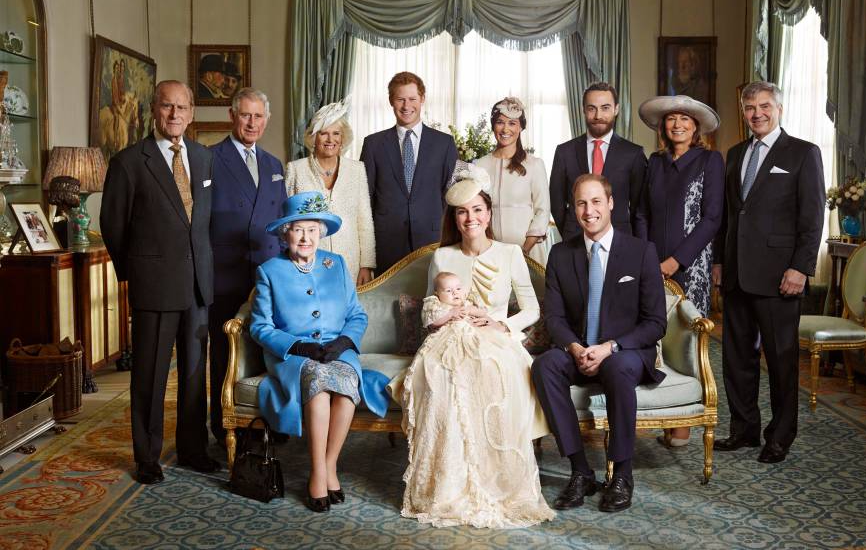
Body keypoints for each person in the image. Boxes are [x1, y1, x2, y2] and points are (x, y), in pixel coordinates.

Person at [388, 165, 554, 529]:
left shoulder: (510, 254)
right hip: (450, 338)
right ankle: (448, 486)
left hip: (496, 338)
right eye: (462, 212)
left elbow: (531, 309)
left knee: (492, 376)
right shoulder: (443, 257)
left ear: (489, 213)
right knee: (444, 380)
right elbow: (429, 309)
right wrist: (445, 316)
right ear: (454, 217)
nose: (470, 218)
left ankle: (497, 486)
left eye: (477, 209)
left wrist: (501, 323)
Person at [100, 80, 219, 484]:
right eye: (167, 107)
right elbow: (113, 226)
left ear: (191, 113)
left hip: (198, 284)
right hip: (155, 284)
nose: (174, 115)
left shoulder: (203, 159)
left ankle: (192, 449)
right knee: (150, 376)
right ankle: (147, 457)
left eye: (182, 108)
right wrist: (137, 273)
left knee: (193, 373)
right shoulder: (130, 161)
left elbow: (205, 223)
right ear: (153, 110)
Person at [532, 174, 666, 513]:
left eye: (595, 201)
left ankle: (622, 474)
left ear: (610, 203)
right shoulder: (561, 255)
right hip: (579, 350)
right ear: (573, 209)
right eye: (580, 203)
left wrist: (610, 347)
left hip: (624, 352)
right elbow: (555, 319)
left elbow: (656, 323)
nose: (588, 210)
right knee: (545, 365)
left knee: (619, 368)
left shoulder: (640, 252)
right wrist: (575, 349)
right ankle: (580, 471)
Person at [250, 192, 390, 513]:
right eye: (298, 229)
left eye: (312, 230)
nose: (305, 237)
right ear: (285, 234)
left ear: (321, 233)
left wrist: (342, 344)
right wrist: (298, 346)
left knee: (344, 388)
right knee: (319, 384)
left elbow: (357, 315)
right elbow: (259, 327)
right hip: (294, 355)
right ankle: (317, 472)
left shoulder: (336, 265)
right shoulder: (270, 271)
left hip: (338, 349)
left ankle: (328, 466)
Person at [712, 81, 825, 464]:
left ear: (778, 108)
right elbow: (730, 214)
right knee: (736, 358)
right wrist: (719, 261)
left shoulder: (803, 153)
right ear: (742, 111)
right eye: (749, 107)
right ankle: (743, 429)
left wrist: (800, 268)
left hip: (780, 276)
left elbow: (812, 218)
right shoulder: (735, 153)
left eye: (763, 106)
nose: (756, 113)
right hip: (737, 273)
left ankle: (780, 436)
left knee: (780, 359)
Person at [634, 95, 724, 447]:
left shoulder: (709, 161)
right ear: (663, 126)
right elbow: (641, 213)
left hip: (692, 266)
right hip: (652, 265)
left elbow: (712, 218)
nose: (678, 125)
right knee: (656, 335)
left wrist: (676, 261)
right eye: (672, 119)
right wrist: (648, 258)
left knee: (688, 338)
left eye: (685, 119)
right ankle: (664, 408)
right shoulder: (654, 163)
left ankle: (683, 422)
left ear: (695, 126)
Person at [208, 87, 287, 444]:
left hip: (267, 273)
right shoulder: (210, 158)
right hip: (225, 273)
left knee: (266, 350)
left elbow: (283, 221)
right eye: (245, 115)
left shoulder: (273, 164)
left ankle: (268, 423)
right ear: (232, 116)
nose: (252, 123)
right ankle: (224, 424)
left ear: (266, 120)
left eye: (258, 116)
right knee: (225, 353)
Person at [360, 71, 458, 274]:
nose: (406, 106)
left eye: (412, 99)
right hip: (386, 244)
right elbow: (364, 200)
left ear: (422, 99)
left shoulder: (444, 143)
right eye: (400, 99)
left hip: (432, 241)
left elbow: (452, 197)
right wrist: (365, 258)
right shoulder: (373, 144)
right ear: (391, 101)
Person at [286, 98, 375, 285]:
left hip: (350, 262)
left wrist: (366, 265)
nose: (330, 140)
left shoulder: (357, 169)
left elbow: (365, 220)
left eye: (336, 134)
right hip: (307, 261)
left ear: (343, 139)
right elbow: (287, 221)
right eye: (323, 133)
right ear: (313, 138)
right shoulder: (295, 169)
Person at [549, 82, 647, 242]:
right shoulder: (564, 152)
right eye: (591, 108)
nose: (598, 116)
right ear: (583, 110)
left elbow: (639, 209)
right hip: (575, 240)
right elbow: (556, 203)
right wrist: (572, 231)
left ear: (616, 109)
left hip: (620, 240)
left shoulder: (633, 154)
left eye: (605, 108)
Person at [474, 97, 551, 265]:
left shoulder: (534, 165)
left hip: (528, 251)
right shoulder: (480, 165)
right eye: (500, 122)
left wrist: (524, 250)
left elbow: (542, 211)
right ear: (493, 125)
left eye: (512, 123)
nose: (505, 129)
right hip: (489, 252)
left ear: (521, 127)